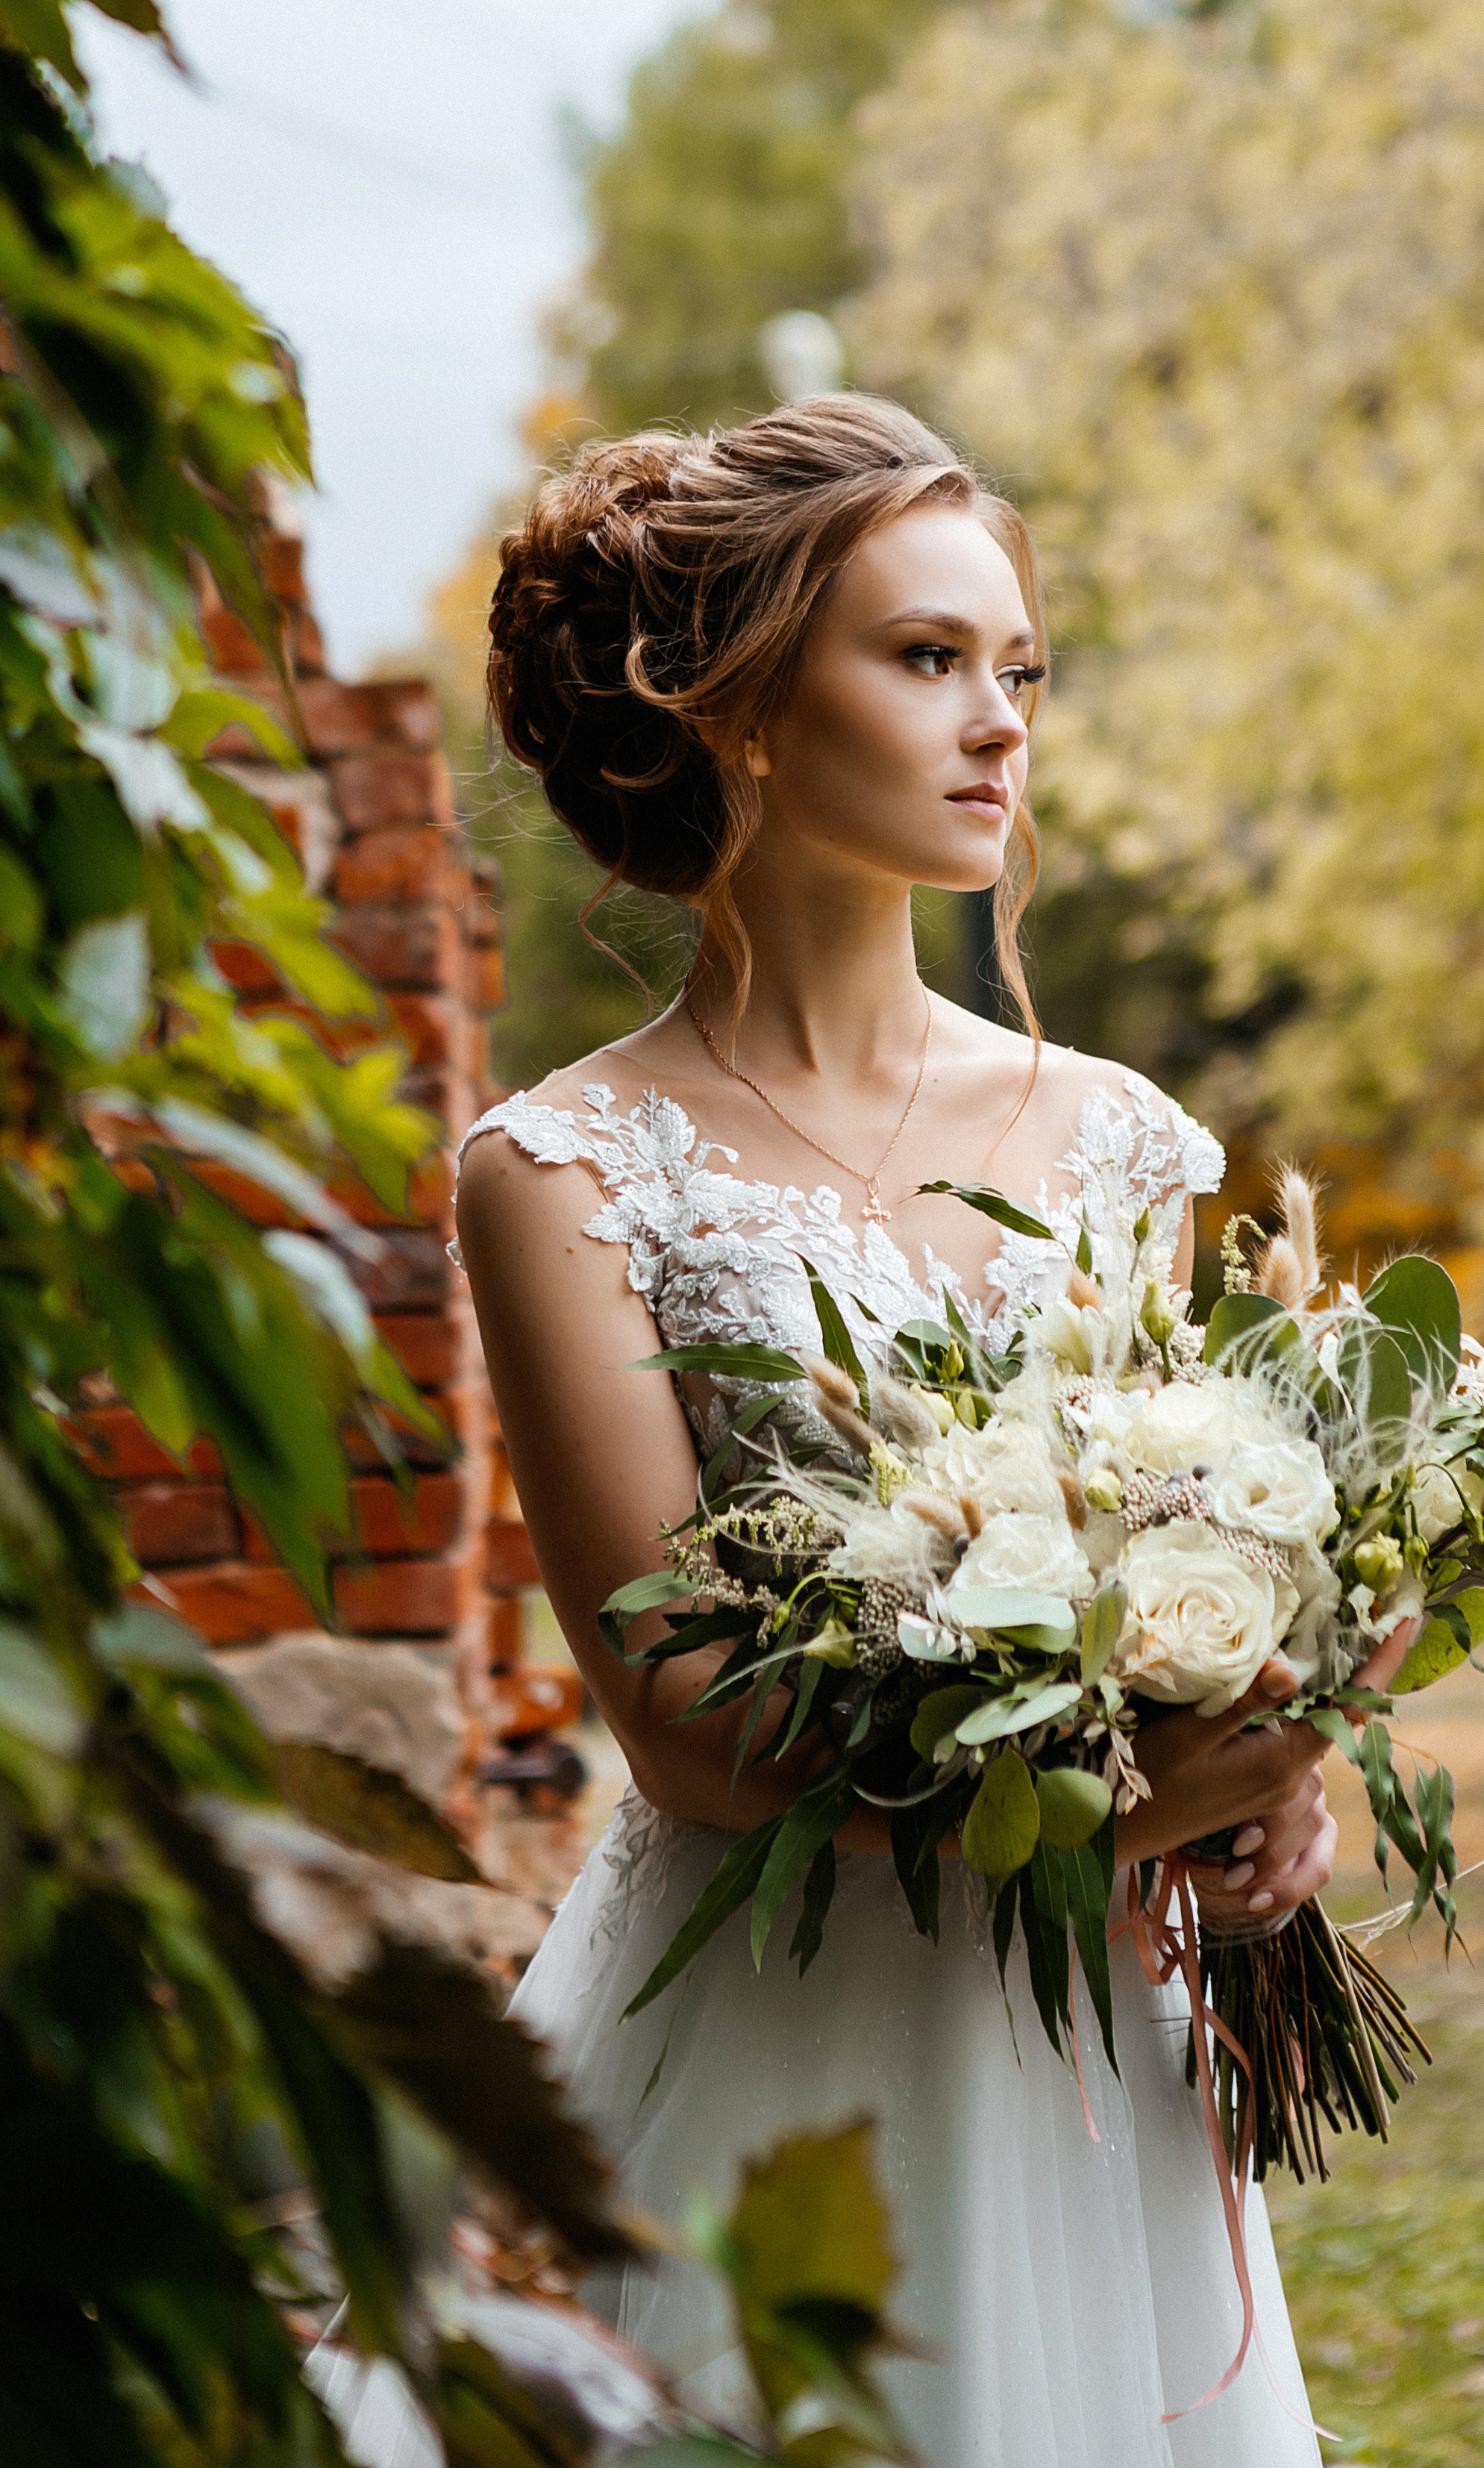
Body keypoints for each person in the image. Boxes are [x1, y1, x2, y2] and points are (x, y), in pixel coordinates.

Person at [339, 396, 1412, 2467]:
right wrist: (1122, 1798)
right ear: (737, 705)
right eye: (926, 659)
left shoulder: (1118, 1140)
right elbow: (673, 1714)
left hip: (1092, 2033)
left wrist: (1280, 1787)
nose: (999, 720)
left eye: (1016, 668)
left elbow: (1214, 1559)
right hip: (774, 2023)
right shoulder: (563, 1170)